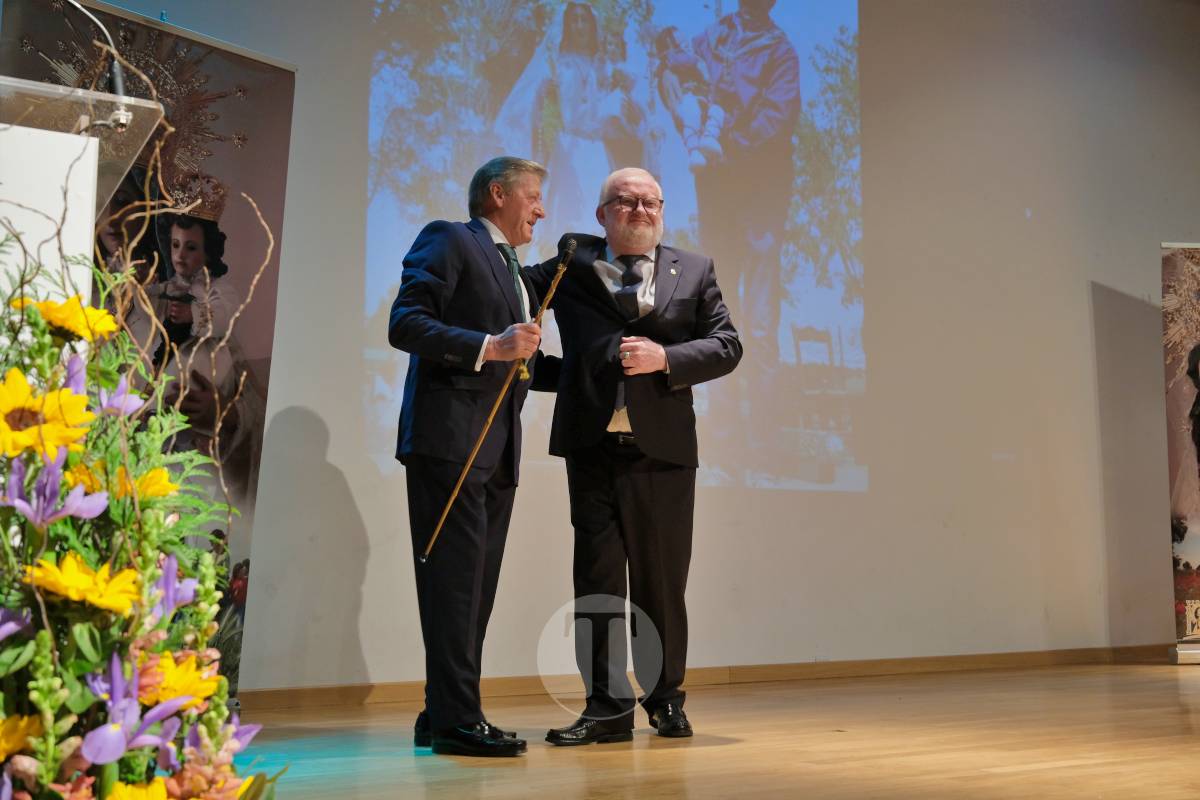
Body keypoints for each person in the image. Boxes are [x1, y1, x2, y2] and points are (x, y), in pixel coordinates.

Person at [526, 167, 741, 744]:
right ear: (602, 214)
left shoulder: (694, 269)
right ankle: (606, 709)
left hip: (663, 455)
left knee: (661, 583)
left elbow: (727, 345)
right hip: (592, 449)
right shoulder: (570, 264)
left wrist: (665, 359)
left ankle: (666, 700)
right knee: (596, 584)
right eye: (625, 201)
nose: (640, 210)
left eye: (650, 201)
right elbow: (510, 293)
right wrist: (544, 372)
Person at [387, 156, 547, 758]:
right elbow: (406, 323)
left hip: (496, 454)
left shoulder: (516, 271)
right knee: (454, 586)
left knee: (473, 590)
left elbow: (521, 362)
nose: (541, 209)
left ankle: (443, 711)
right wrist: (490, 345)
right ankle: (458, 721)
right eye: (533, 197)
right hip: (450, 443)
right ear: (498, 194)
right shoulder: (451, 238)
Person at [692, 0, 800, 472]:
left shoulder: (780, 50)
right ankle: (724, 434)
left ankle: (764, 440)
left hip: (759, 193)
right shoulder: (715, 35)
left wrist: (728, 144)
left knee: (757, 316)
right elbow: (690, 77)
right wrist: (693, 124)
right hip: (717, 193)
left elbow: (777, 117)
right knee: (716, 312)